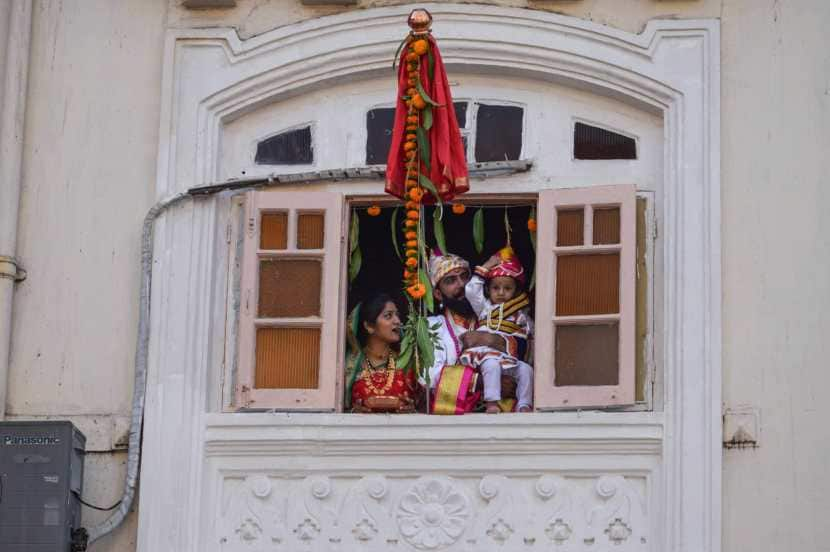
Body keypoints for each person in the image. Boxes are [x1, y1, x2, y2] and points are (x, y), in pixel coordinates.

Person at [425, 249, 510, 414]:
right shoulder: (432, 326)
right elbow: (429, 375)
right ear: (437, 294)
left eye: (465, 276)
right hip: (454, 420)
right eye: (451, 280)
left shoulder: (492, 312)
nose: (462, 284)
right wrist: (482, 382)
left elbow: (529, 346)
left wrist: (492, 341)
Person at [460, 246, 533, 413]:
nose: (501, 293)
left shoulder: (522, 317)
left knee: (526, 370)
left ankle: (524, 404)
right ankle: (492, 402)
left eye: (507, 288)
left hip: (509, 359)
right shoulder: (485, 308)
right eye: (495, 288)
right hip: (485, 354)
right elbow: (471, 290)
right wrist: (488, 265)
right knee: (491, 364)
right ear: (488, 290)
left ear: (516, 291)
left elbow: (532, 339)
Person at [345, 293, 416, 413]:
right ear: (369, 326)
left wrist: (411, 409)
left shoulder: (405, 361)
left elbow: (424, 405)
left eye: (397, 315)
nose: (398, 321)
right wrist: (353, 411)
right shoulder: (350, 364)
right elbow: (335, 408)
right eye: (388, 316)